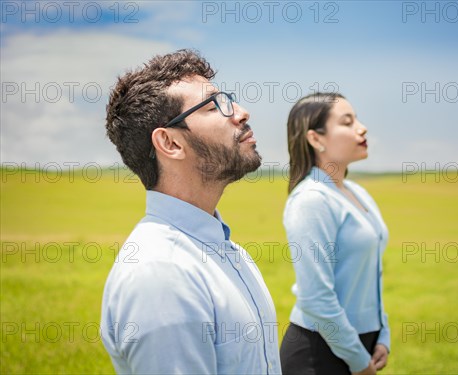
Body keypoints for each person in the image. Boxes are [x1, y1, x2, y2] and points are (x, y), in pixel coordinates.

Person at [100, 49, 281, 374]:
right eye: (214, 106)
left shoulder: (228, 251)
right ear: (170, 143)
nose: (241, 112)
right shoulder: (162, 275)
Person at [279, 93, 391, 375]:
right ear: (316, 139)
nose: (362, 128)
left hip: (360, 344)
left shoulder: (357, 193)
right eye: (347, 122)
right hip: (317, 354)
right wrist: (357, 360)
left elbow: (371, 275)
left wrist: (382, 335)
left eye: (358, 119)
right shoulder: (311, 200)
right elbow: (316, 297)